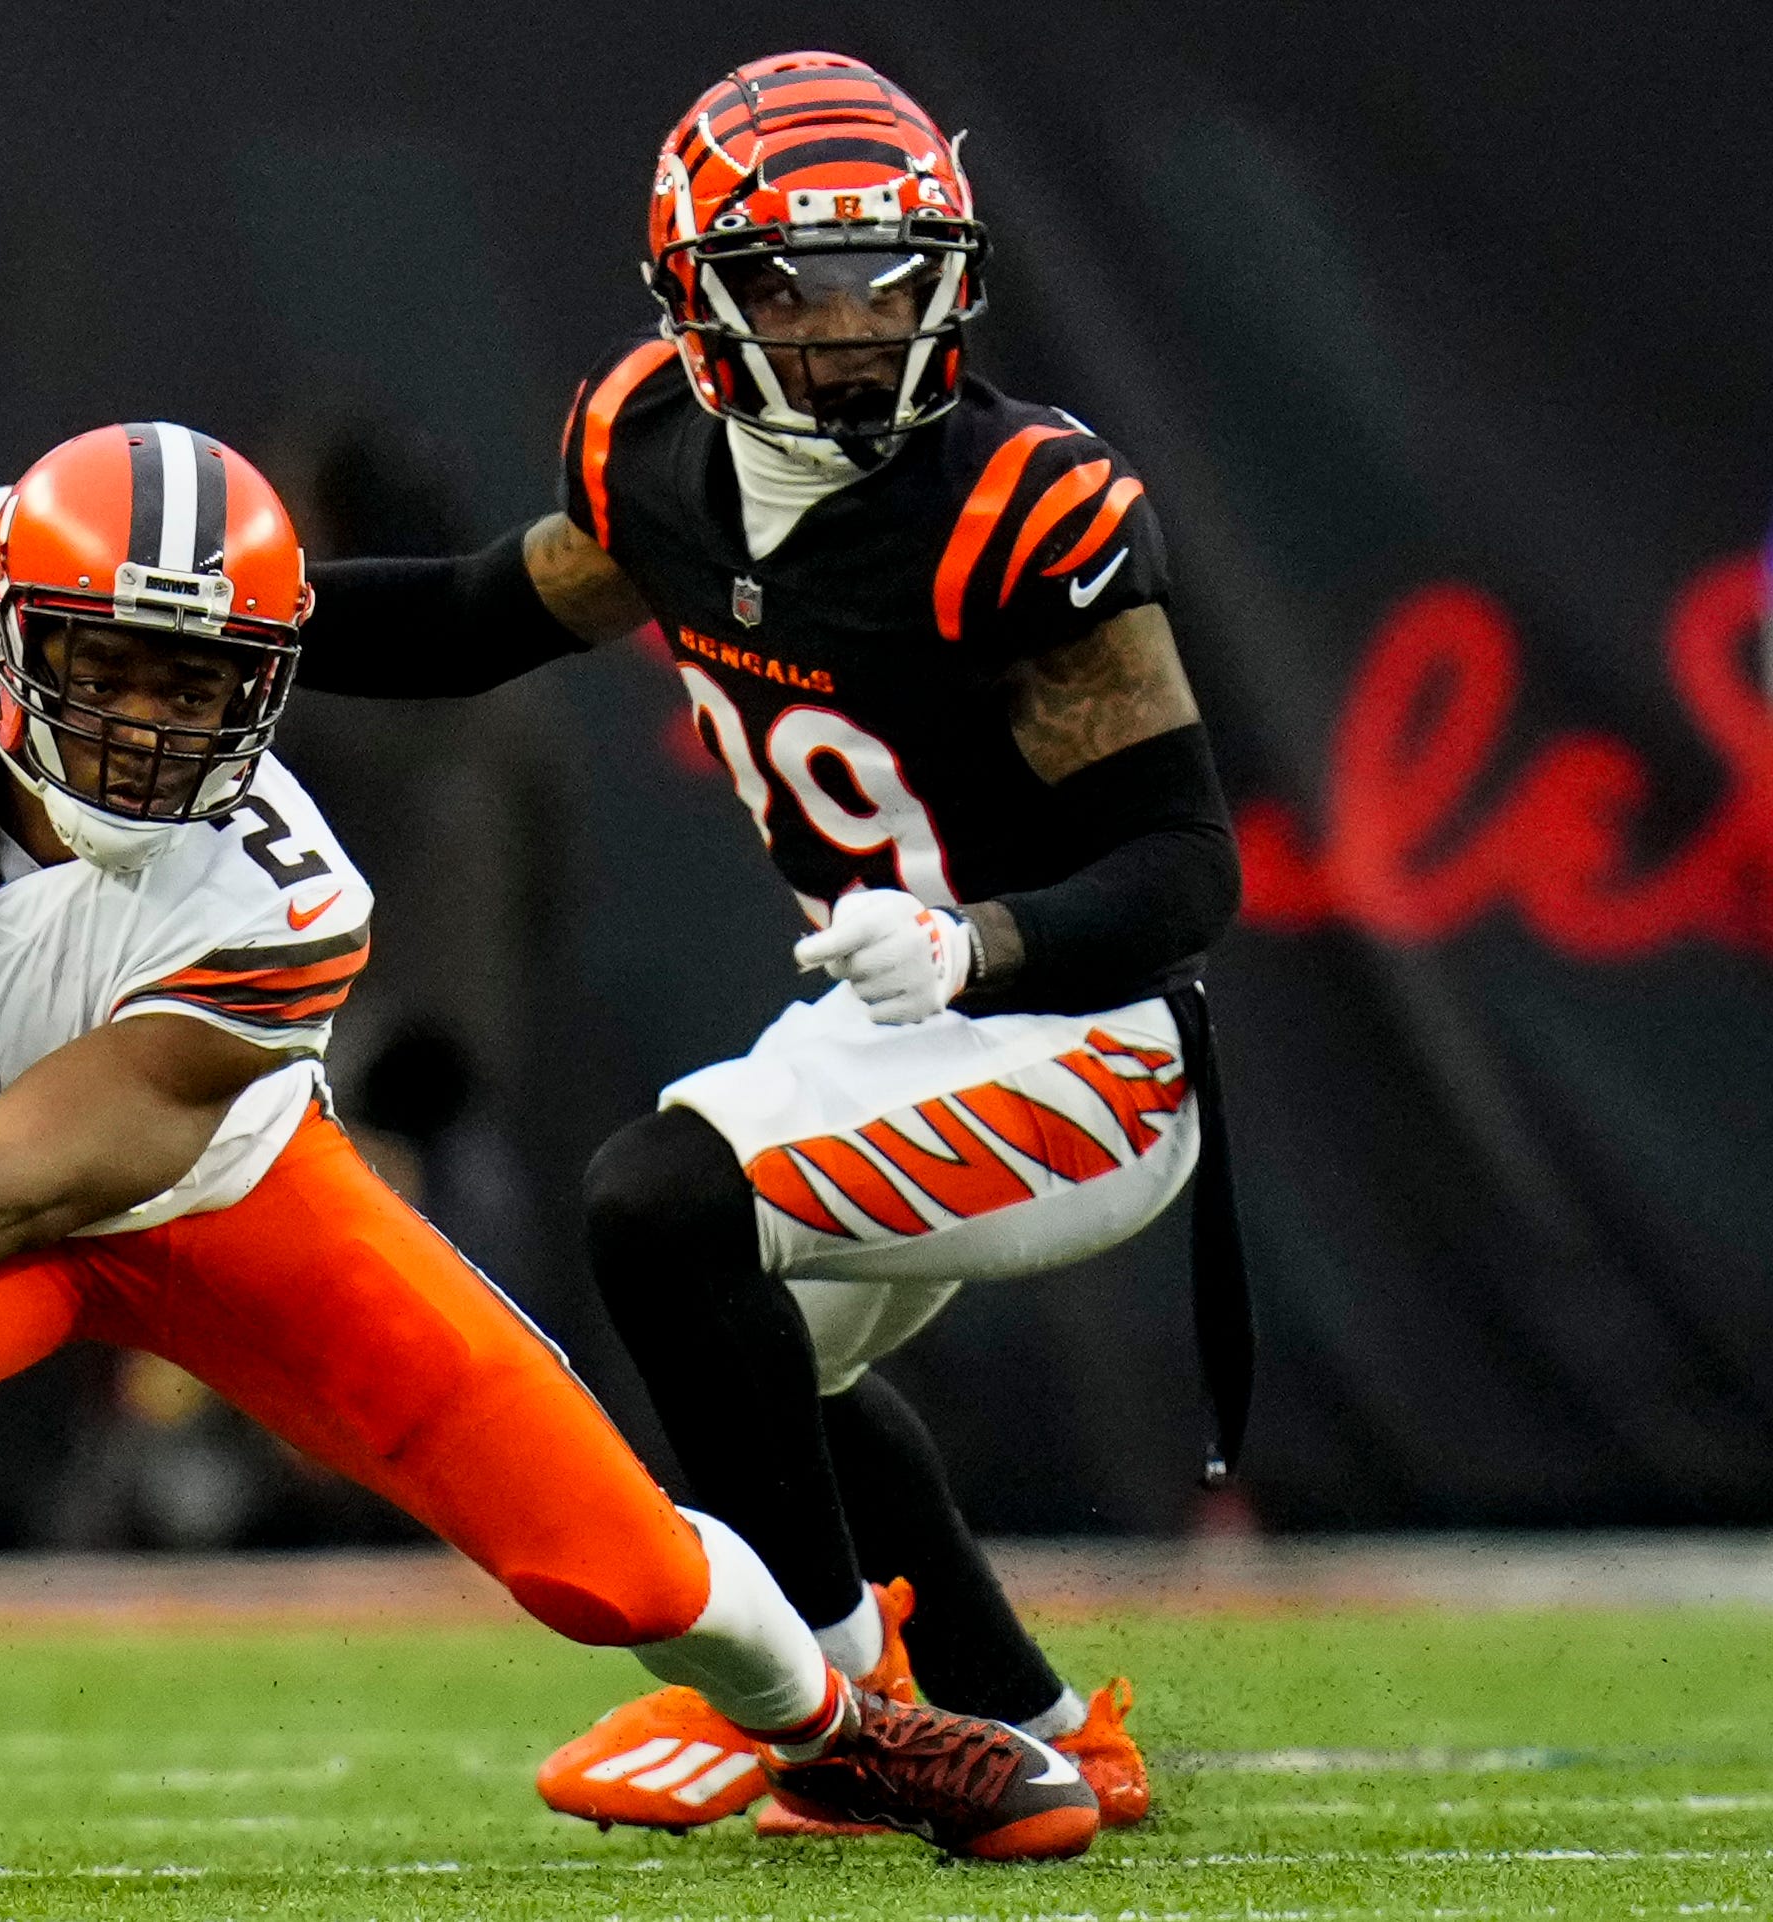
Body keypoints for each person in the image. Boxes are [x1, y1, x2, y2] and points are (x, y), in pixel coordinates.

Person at [0, 422, 1102, 1885]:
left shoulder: (283, 896)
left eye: (198, 679)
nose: (151, 723)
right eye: (109, 665)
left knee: (619, 1561)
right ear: (4, 634)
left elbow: (42, 1178)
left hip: (210, 1200)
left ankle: (838, 1725)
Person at [278, 53, 1244, 1835]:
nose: (858, 327)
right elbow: (483, 614)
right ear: (700, 302)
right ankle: (1027, 1719)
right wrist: (213, 614)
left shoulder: (1021, 506)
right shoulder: (654, 452)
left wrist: (981, 945)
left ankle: (822, 1698)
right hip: (897, 1018)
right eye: (800, 286)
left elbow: (1188, 866)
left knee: (661, 1202)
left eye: (893, 280)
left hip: (1088, 1036)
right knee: (764, 1351)